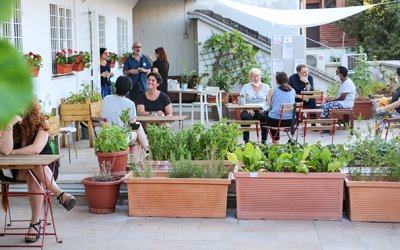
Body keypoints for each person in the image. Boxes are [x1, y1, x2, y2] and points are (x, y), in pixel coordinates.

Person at [0, 102, 76, 243]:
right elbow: (5, 150)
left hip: (46, 170)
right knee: (34, 166)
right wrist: (9, 125)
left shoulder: (42, 122)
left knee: (34, 170)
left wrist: (13, 152)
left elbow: (35, 149)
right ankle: (60, 194)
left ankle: (35, 223)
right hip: (17, 170)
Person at [101, 76, 150, 157]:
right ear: (129, 89)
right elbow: (133, 124)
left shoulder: (106, 98)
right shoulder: (129, 103)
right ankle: (144, 154)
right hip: (120, 137)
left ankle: (147, 152)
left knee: (138, 129)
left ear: (116, 86)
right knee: (137, 135)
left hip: (105, 134)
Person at [239, 68, 270, 144]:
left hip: (261, 109)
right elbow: (241, 100)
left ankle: (264, 139)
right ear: (250, 77)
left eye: (257, 76)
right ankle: (246, 140)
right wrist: (247, 108)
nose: (256, 78)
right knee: (244, 116)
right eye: (253, 76)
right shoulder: (245, 87)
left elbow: (269, 101)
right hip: (249, 109)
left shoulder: (266, 87)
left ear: (260, 76)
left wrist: (264, 108)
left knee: (264, 116)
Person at [266, 71, 296, 144]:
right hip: (291, 121)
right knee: (274, 115)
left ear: (276, 81)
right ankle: (289, 140)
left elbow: (267, 107)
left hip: (276, 121)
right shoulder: (293, 91)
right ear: (287, 80)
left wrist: (262, 108)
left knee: (266, 115)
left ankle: (275, 141)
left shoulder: (272, 90)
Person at [375, 67, 400, 133]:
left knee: (380, 114)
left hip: (398, 112)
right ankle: (377, 137)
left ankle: (377, 139)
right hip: (396, 111)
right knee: (381, 112)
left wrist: (384, 108)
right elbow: (396, 97)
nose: (397, 78)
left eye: (397, 76)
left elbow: (398, 103)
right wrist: (382, 99)